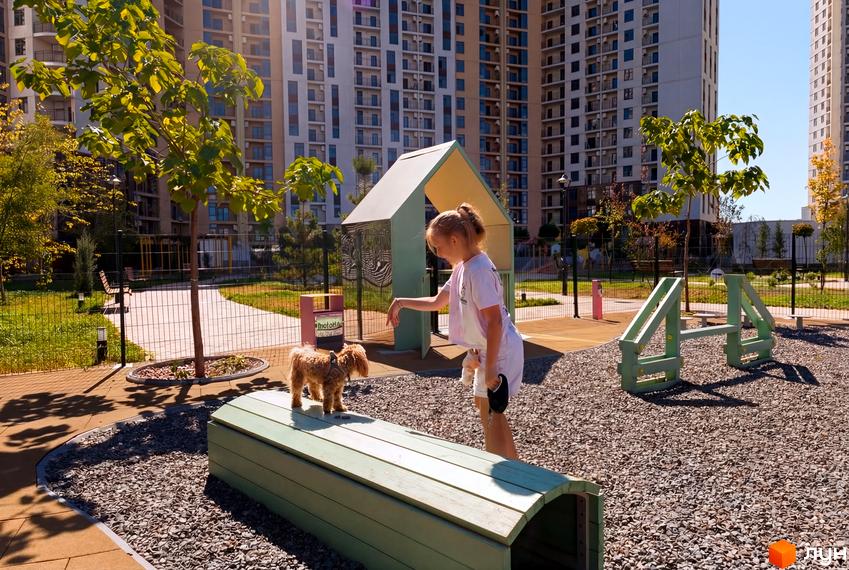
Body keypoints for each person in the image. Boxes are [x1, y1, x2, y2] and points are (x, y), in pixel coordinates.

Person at [386, 203, 524, 459]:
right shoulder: (464, 267)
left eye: (438, 247)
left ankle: (505, 473)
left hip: (499, 349)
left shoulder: (479, 270)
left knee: (492, 411)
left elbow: (494, 321)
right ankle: (513, 469)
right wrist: (401, 302)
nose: (437, 253)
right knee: (487, 408)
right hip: (489, 348)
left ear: (454, 239)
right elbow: (438, 301)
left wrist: (491, 365)